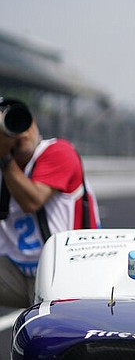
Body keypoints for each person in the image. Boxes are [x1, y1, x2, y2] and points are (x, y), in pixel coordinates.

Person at [0, 98, 100, 308]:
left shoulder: (58, 151)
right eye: (10, 125)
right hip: (18, 272)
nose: (21, 132)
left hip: (66, 272)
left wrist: (5, 159)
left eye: (23, 120)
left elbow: (32, 200)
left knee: (47, 336)